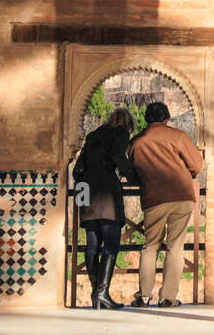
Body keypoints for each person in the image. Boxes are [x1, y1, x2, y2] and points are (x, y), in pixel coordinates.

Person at [130, 102, 204, 308]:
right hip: (181, 196)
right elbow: (197, 165)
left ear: (147, 119)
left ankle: (144, 296)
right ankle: (168, 297)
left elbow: (132, 172)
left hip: (154, 199)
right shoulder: (178, 136)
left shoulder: (136, 143)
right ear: (166, 119)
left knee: (150, 247)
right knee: (175, 247)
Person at [72, 108, 137, 310]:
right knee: (111, 243)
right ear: (128, 124)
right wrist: (134, 177)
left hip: (88, 193)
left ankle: (96, 295)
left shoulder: (93, 137)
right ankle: (102, 293)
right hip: (107, 194)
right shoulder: (121, 134)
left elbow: (76, 172)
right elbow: (118, 157)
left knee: (92, 245)